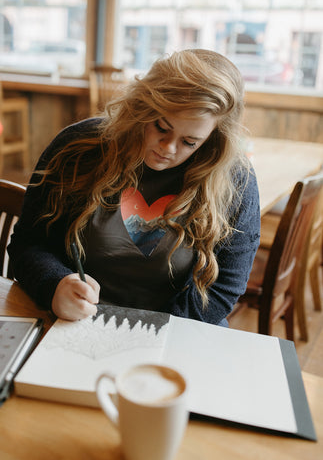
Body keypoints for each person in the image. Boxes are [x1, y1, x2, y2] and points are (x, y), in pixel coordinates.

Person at [8, 49, 260, 326]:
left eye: (190, 142)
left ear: (213, 137)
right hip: (71, 323)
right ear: (141, 106)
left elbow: (224, 289)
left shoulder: (235, 180)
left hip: (180, 331)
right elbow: (28, 244)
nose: (168, 148)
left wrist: (152, 333)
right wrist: (54, 285)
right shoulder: (78, 148)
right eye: (161, 127)